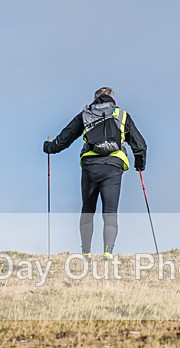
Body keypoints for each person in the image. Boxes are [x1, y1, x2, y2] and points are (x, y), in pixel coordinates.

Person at [43, 87, 147, 259]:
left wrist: (49, 148)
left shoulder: (85, 115)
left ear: (95, 99)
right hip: (113, 166)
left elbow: (64, 139)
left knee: (87, 209)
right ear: (113, 100)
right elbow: (140, 144)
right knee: (110, 211)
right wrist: (140, 164)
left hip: (90, 166)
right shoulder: (122, 116)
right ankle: (108, 252)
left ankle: (86, 252)